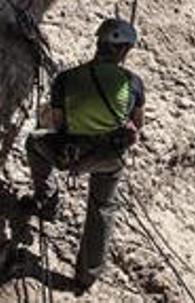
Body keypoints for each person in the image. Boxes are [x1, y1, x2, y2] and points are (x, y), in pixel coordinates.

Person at [22, 18, 144, 295]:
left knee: (34, 143)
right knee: (102, 208)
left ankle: (47, 200)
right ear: (124, 50)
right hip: (109, 158)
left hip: (69, 155)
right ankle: (86, 277)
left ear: (99, 44)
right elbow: (137, 125)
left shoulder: (66, 78)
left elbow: (55, 123)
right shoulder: (133, 83)